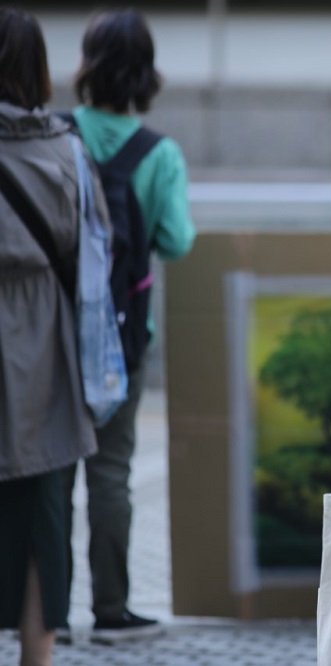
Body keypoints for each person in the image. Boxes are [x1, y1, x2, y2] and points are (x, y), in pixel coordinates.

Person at [62, 8, 196, 643]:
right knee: (111, 473)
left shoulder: (55, 136)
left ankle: (46, 616)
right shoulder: (158, 153)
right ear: (147, 72)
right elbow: (174, 240)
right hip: (121, 338)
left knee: (51, 473)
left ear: (86, 65)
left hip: (52, 336)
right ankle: (111, 610)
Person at [0, 9, 100, 665]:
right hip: (44, 343)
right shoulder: (68, 150)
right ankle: (39, 657)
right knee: (45, 510)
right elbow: (95, 252)